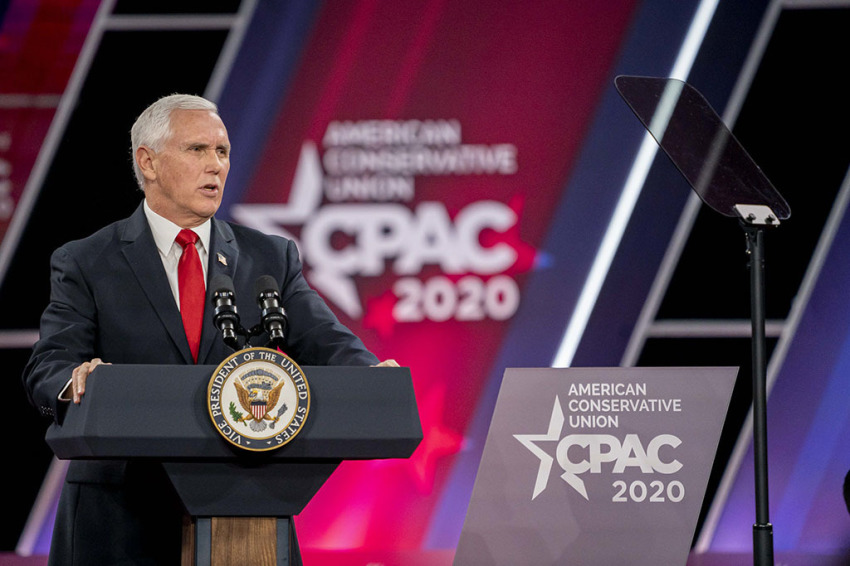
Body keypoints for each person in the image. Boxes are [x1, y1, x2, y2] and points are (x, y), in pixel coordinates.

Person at [23, 93, 396, 565]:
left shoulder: (270, 257)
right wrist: (73, 379)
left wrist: (371, 376)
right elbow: (49, 363)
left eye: (221, 152)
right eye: (196, 150)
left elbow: (325, 338)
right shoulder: (86, 260)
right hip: (120, 515)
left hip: (244, 501)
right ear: (149, 163)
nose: (215, 165)